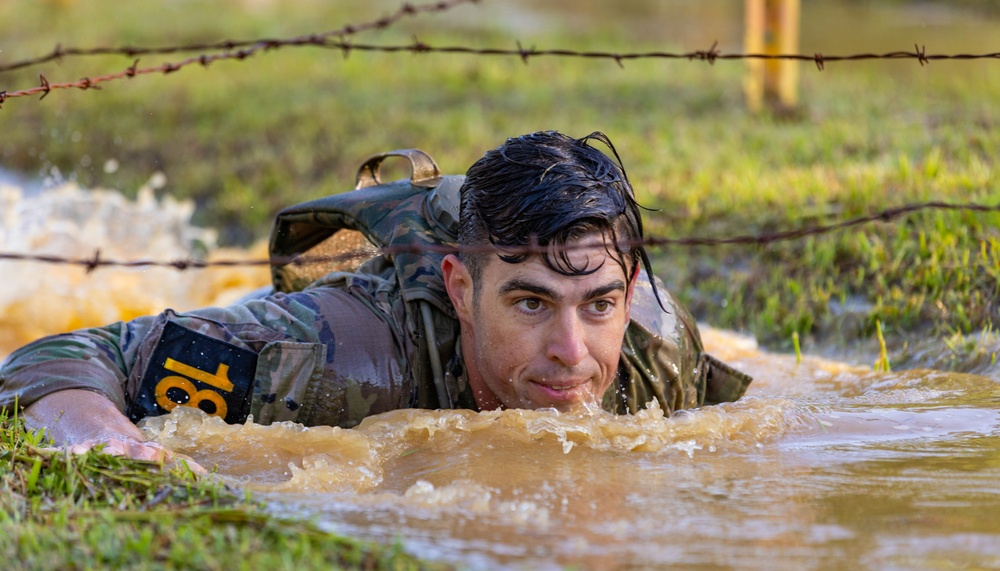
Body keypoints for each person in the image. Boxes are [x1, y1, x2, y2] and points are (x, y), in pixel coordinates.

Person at [0, 130, 750, 468]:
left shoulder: (654, 343)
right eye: (530, 304)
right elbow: (58, 356)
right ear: (463, 287)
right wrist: (107, 440)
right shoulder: (332, 356)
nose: (573, 353)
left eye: (596, 304)